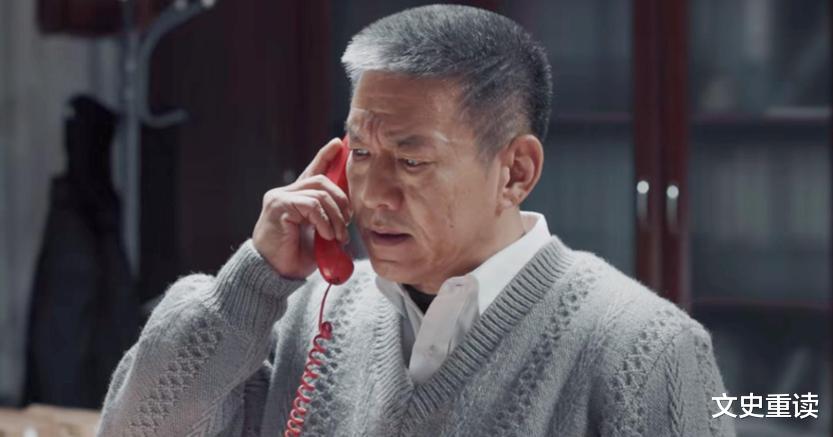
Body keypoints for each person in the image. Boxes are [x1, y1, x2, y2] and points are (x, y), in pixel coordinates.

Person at [97, 5, 736, 436]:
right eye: (361, 154)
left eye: (411, 160)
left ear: (515, 171)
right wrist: (254, 281)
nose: (373, 196)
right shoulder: (308, 313)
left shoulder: (647, 349)